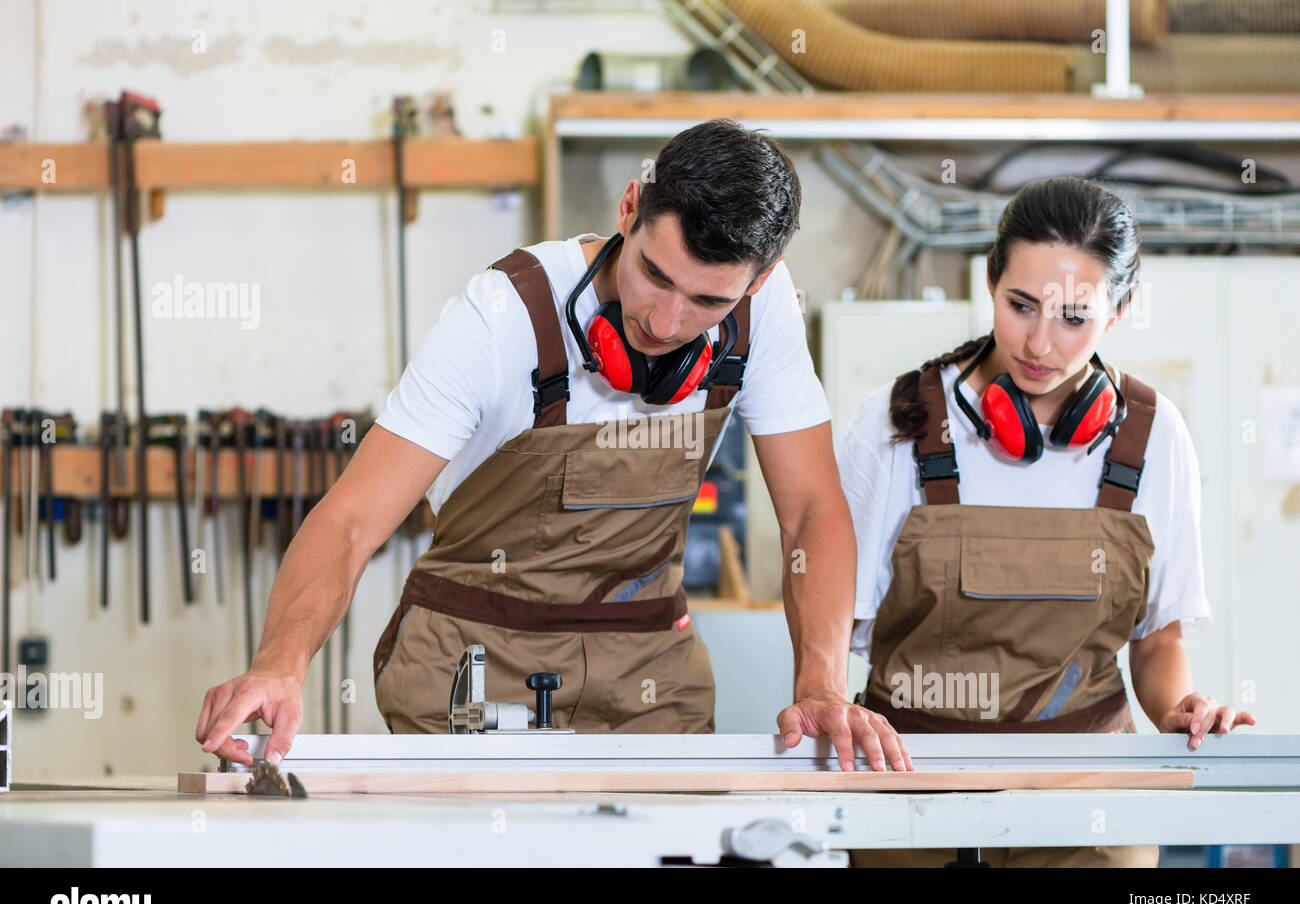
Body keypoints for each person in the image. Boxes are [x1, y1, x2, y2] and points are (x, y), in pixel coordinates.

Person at [196, 119, 910, 774]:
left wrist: (820, 680)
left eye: (708, 302)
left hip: (648, 687)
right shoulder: (503, 316)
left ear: (760, 279)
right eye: (655, 274)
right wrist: (279, 663)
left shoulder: (766, 314)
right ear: (629, 208)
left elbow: (813, 508)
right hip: (472, 680)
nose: (665, 321)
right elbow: (352, 520)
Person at [836, 176, 1254, 867]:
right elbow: (826, 614)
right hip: (911, 789)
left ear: (1118, 312)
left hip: (1087, 795)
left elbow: (1157, 642)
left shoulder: (1152, 436)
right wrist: (822, 695)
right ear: (991, 281)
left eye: (1073, 317)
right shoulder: (898, 421)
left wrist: (1180, 706)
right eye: (1020, 305)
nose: (1038, 343)